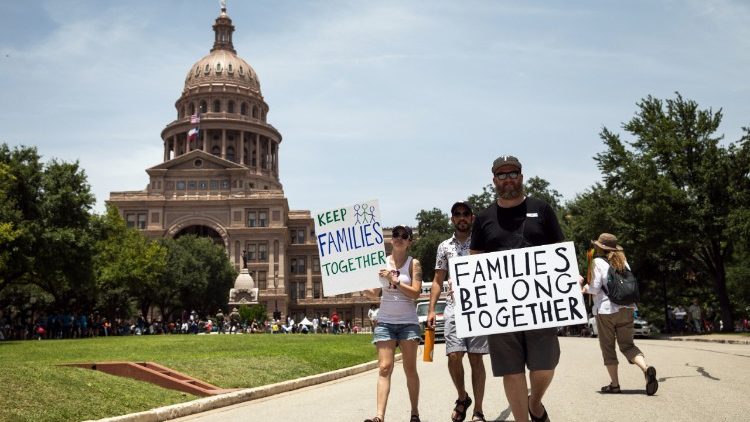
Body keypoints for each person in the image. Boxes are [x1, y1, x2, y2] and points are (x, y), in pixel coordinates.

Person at [469, 155, 563, 422]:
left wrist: (571, 279)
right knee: (511, 370)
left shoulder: (541, 209)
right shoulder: (484, 217)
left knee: (545, 366)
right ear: (494, 180)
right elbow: (475, 259)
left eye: (513, 173)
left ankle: (535, 402)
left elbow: (559, 252)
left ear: (521, 176)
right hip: (501, 309)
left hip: (540, 304)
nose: (508, 178)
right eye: (502, 175)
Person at [428, 201, 489, 422]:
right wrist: (432, 310)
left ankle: (478, 410)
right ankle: (462, 397)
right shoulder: (444, 246)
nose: (461, 218)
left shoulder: (483, 242)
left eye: (466, 214)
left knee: (475, 358)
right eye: (457, 214)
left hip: (478, 306)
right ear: (452, 219)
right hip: (454, 306)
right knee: (453, 355)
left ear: (472, 218)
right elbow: (437, 279)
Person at [580, 233, 658, 396]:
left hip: (606, 310)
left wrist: (584, 287)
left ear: (599, 247)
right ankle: (645, 368)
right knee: (627, 345)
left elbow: (594, 288)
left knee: (608, 348)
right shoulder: (623, 261)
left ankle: (615, 385)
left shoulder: (597, 262)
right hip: (627, 308)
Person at [363, 225, 423, 422]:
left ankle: (414, 413)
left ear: (409, 242)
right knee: (385, 367)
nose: (399, 238)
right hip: (386, 321)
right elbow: (374, 293)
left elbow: (415, 293)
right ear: (391, 240)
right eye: (395, 235)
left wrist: (395, 281)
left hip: (408, 323)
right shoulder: (380, 263)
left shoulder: (413, 264)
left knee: (409, 369)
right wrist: (360, 287)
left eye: (404, 236)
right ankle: (379, 416)